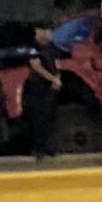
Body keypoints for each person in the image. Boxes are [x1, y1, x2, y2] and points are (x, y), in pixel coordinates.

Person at [24, 22, 62, 159]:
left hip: (50, 89)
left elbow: (58, 65)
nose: (48, 33)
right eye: (45, 30)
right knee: (37, 118)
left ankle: (50, 147)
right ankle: (37, 148)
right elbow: (36, 66)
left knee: (50, 117)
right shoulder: (33, 47)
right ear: (37, 31)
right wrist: (52, 79)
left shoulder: (52, 47)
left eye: (49, 30)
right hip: (37, 87)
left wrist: (57, 79)